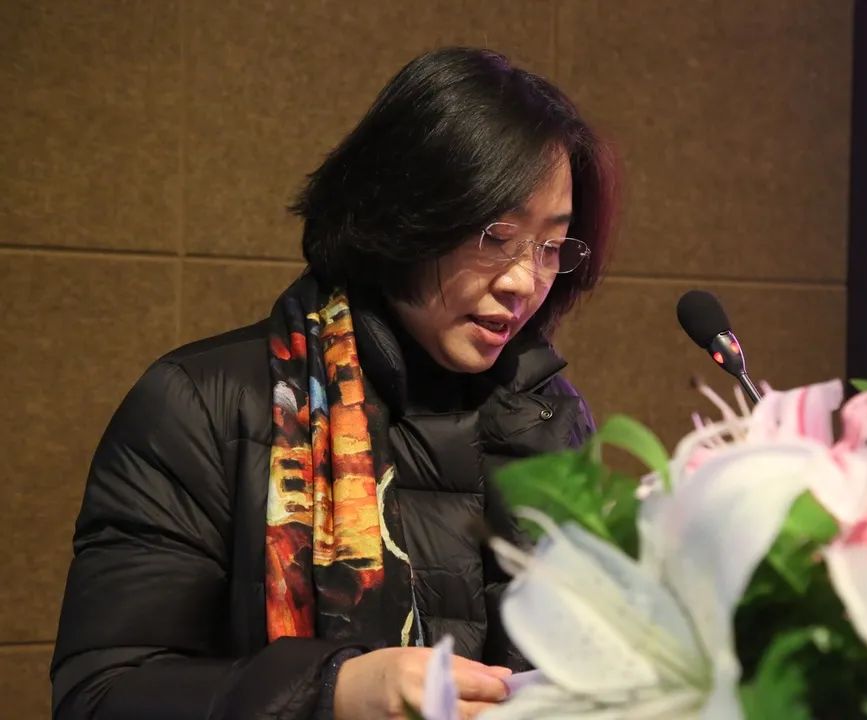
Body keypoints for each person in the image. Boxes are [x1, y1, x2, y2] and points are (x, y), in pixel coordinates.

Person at [50, 46, 617, 720]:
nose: (524, 280)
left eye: (550, 247)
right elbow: (102, 694)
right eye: (496, 236)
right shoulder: (200, 406)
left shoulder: (548, 414)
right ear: (406, 215)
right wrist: (335, 691)